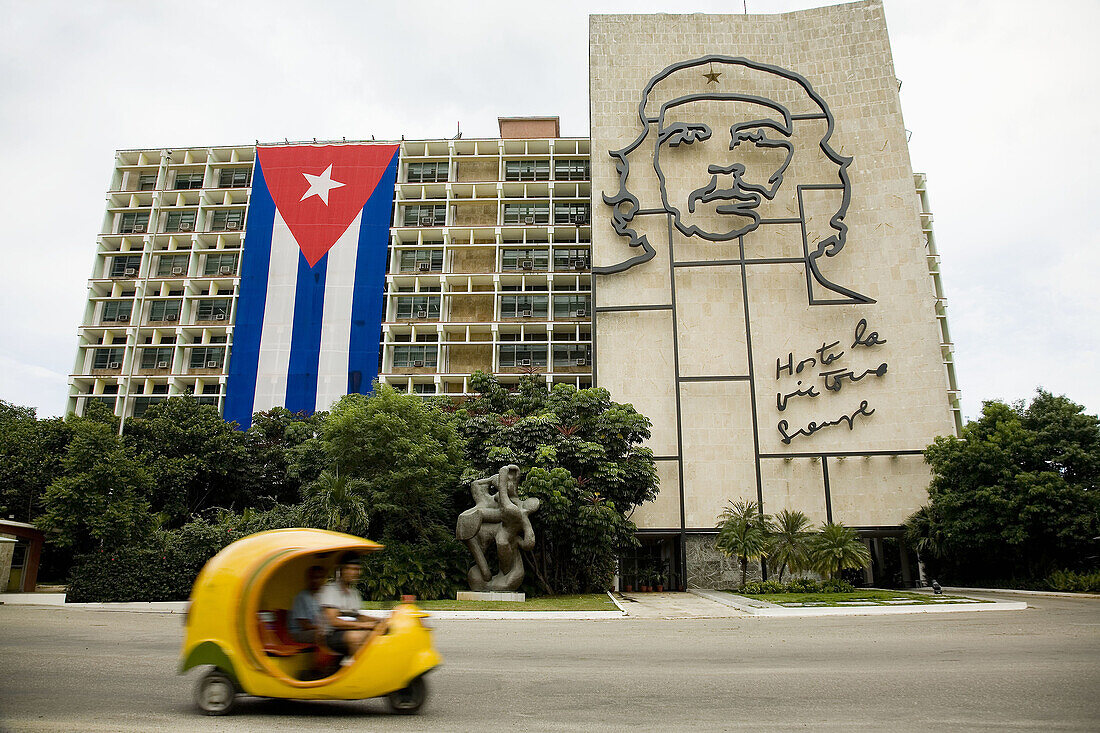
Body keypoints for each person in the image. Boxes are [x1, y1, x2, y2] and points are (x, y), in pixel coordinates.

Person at [596, 54, 873, 305]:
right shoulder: (620, 303)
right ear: (644, 165)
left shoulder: (834, 308)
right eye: (685, 140)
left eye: (757, 140)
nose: (725, 168)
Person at [318, 552, 377, 658]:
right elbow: (334, 621)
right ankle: (355, 668)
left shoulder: (354, 592)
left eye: (356, 569)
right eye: (349, 568)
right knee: (356, 637)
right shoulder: (330, 590)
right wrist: (363, 625)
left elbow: (358, 616)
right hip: (331, 635)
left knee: (377, 633)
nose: (353, 572)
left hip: (349, 630)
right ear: (341, 570)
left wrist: (379, 620)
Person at [288, 565, 326, 644]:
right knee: (323, 634)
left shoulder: (323, 596)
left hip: (317, 629)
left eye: (320, 577)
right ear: (308, 579)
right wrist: (325, 628)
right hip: (299, 633)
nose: (316, 580)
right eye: (314, 578)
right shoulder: (301, 597)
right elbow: (305, 626)